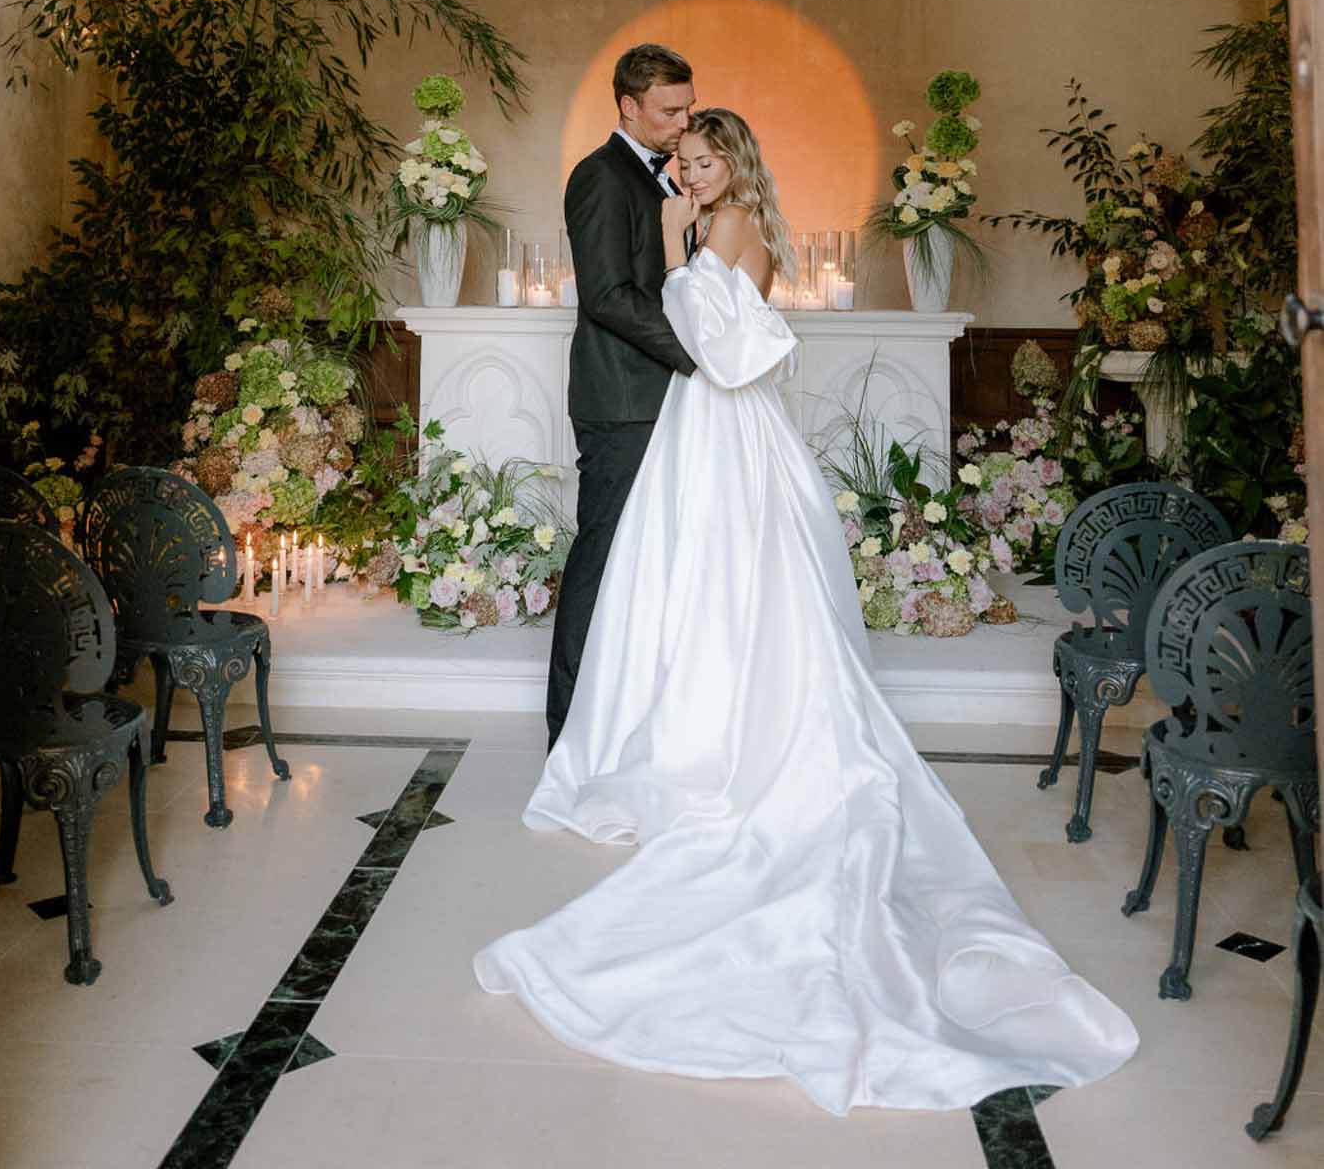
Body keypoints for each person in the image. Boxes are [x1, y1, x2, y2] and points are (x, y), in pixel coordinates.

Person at [476, 107, 1139, 1116]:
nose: (691, 173)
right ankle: (687, 719)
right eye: (683, 161)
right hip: (693, 426)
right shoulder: (698, 225)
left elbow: (728, 348)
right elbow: (676, 311)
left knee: (741, 580)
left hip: (726, 424)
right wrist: (667, 237)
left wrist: (673, 252)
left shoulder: (736, 226)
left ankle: (745, 733)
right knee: (682, 580)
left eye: (704, 160)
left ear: (734, 163)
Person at [545, 43, 698, 751]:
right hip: (620, 402)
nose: (681, 121)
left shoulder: (663, 184)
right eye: (669, 110)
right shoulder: (601, 177)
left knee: (644, 560)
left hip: (653, 398)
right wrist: (695, 356)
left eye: (687, 107)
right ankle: (568, 730)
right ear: (628, 106)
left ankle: (625, 719)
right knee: (600, 557)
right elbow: (607, 297)